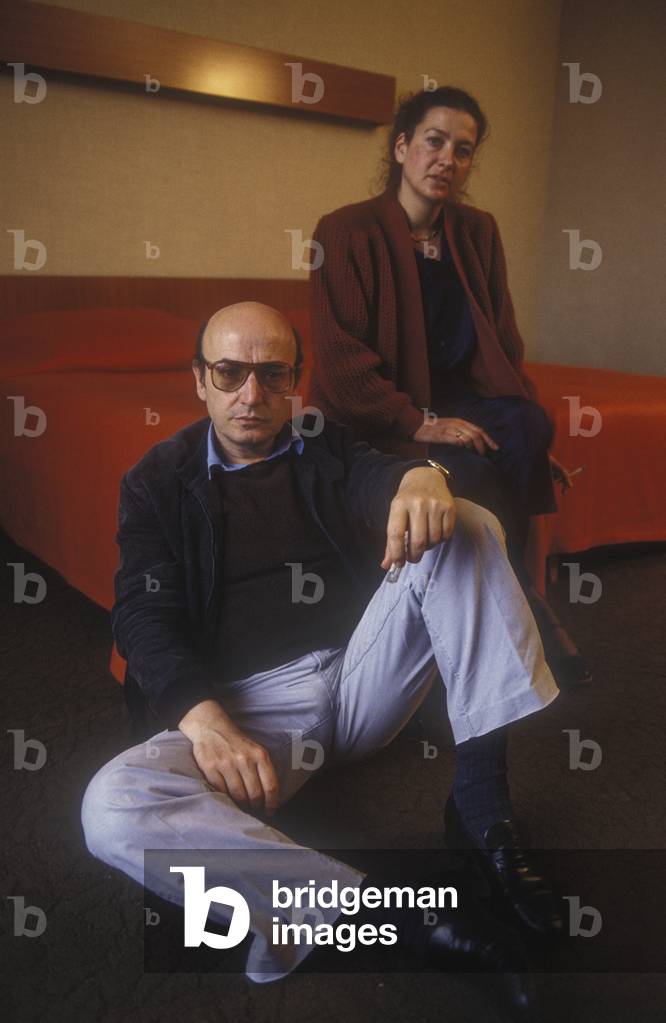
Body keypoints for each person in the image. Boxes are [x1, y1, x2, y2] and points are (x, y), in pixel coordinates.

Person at [81, 301, 561, 1006]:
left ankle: (482, 808)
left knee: (470, 524)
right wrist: (204, 719)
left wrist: (423, 475)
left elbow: (374, 475)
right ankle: (387, 916)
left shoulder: (318, 439)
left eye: (273, 374)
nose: (252, 395)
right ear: (199, 379)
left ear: (295, 380)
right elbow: (141, 612)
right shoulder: (157, 479)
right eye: (230, 372)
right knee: (110, 806)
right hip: (258, 714)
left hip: (366, 675)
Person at [309, 85, 589, 687]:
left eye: (463, 151)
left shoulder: (477, 231)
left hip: (464, 399)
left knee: (530, 424)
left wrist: (531, 436)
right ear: (404, 147)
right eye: (434, 142)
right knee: (481, 477)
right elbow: (339, 364)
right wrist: (419, 424)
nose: (447, 160)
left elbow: (504, 343)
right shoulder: (344, 231)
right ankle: (522, 607)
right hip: (388, 408)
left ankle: (508, 604)